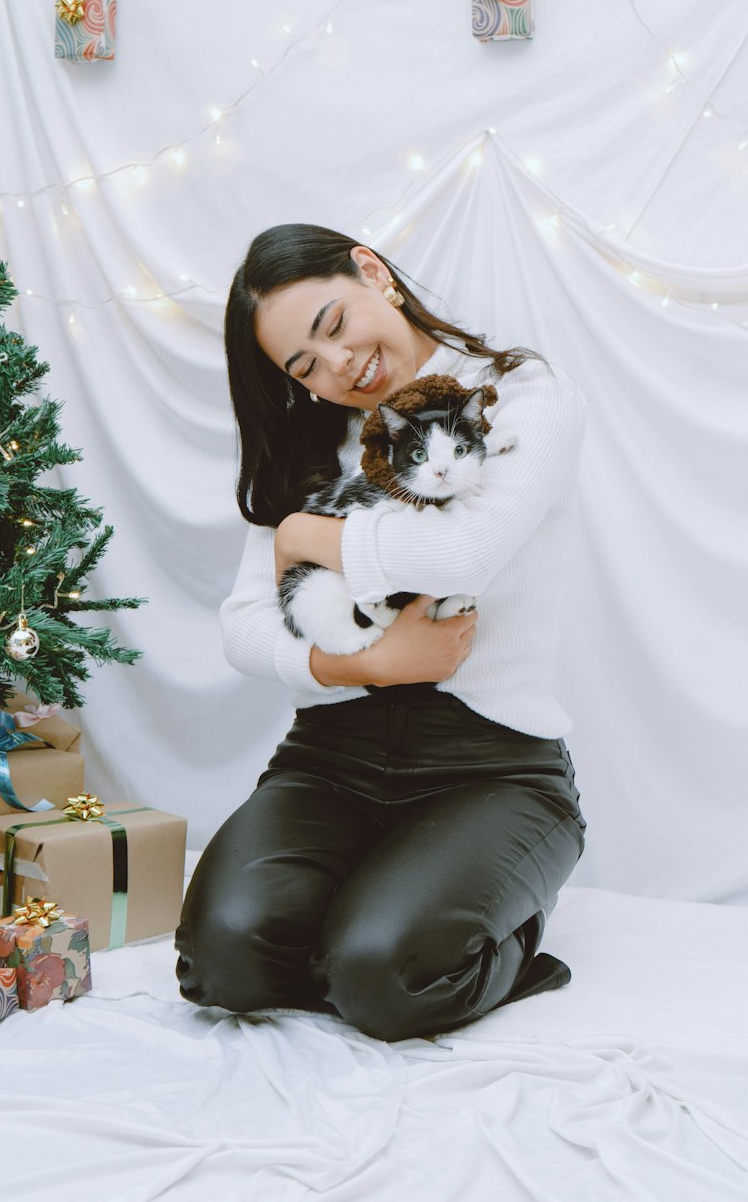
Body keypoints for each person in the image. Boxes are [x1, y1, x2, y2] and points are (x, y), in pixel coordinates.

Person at [175, 222, 589, 1042]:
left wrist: (301, 539)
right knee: (219, 966)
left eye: (333, 325)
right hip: (331, 762)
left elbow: (459, 552)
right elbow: (244, 628)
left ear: (373, 273)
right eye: (305, 366)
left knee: (385, 982)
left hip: (492, 769)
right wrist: (368, 665)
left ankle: (496, 942)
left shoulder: (512, 394)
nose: (339, 368)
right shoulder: (310, 442)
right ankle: (374, 910)